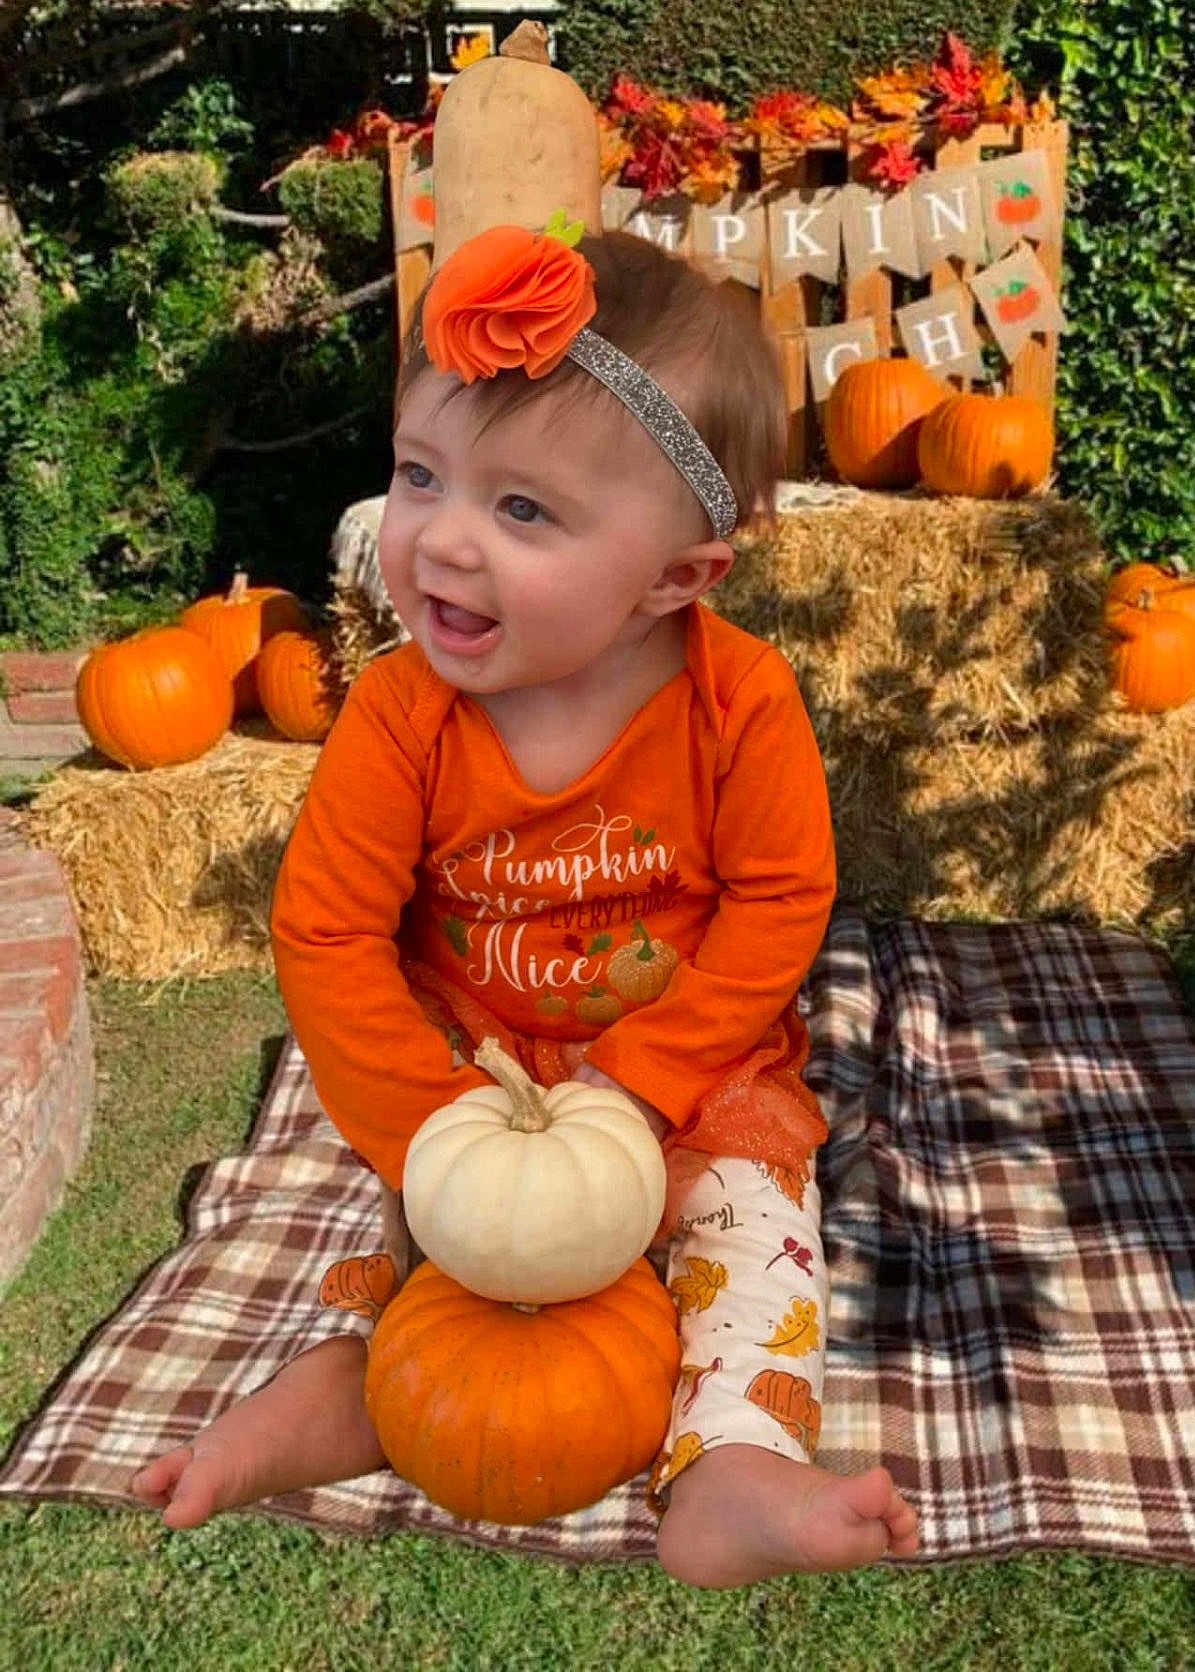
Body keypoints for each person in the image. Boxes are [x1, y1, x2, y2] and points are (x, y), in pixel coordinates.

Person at [131, 222, 919, 1587]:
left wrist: (652, 1076)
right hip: (472, 1086)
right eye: (421, 474)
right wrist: (428, 1127)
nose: (438, 540)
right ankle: (340, 1401)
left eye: (523, 510)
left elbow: (783, 898)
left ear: (677, 578)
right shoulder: (397, 713)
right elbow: (325, 930)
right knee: (432, 1280)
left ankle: (733, 1469)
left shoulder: (738, 704)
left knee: (749, 1252)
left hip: (686, 1086)